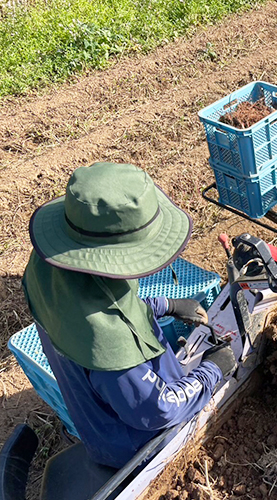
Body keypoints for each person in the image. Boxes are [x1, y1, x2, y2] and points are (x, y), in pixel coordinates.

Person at [22, 162, 236, 469]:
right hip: (137, 447)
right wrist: (212, 371)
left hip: (98, 421)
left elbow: (106, 307)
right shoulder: (112, 352)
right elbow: (160, 408)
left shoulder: (49, 268)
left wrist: (166, 305)